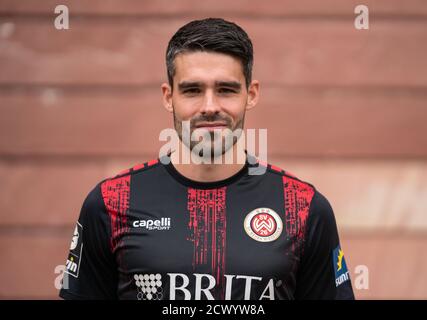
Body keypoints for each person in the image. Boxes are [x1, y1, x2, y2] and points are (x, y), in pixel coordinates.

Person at [59, 17, 354, 300]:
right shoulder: (111, 202)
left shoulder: (303, 206)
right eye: (192, 90)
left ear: (251, 94)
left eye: (226, 89)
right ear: (168, 96)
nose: (210, 106)